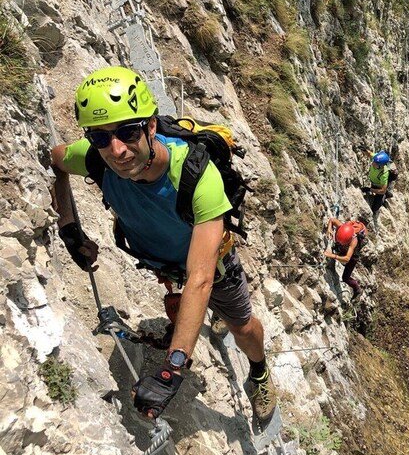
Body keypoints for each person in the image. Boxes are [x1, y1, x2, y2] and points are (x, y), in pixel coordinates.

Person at [50, 66, 276, 426]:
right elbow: (57, 158)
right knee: (196, 304)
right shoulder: (96, 159)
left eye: (127, 132)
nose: (117, 149)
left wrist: (172, 369)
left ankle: (260, 373)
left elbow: (200, 277)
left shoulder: (197, 176)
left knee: (242, 327)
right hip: (162, 261)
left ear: (151, 126)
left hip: (211, 267)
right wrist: (68, 227)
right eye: (101, 137)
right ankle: (209, 317)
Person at [324, 217, 367, 299]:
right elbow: (332, 220)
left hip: (353, 255)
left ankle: (357, 289)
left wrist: (332, 255)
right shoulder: (341, 227)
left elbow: (347, 258)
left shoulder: (354, 242)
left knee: (345, 277)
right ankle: (340, 249)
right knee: (339, 249)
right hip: (344, 247)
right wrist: (329, 229)